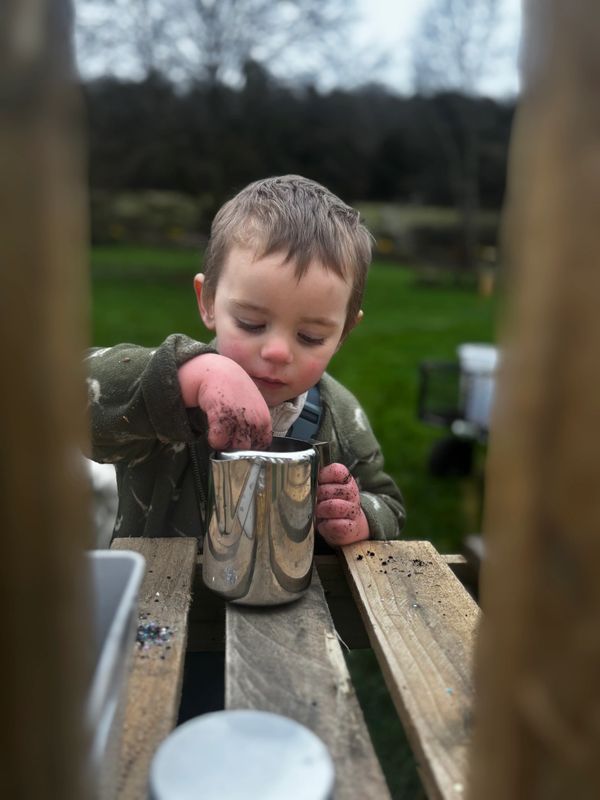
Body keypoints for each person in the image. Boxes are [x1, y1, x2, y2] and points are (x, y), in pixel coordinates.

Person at [86, 175, 405, 549]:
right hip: (159, 598)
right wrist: (190, 375)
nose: (277, 351)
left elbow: (389, 504)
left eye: (310, 337)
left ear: (343, 334)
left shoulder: (341, 417)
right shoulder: (165, 392)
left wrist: (359, 516)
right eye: (251, 323)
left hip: (298, 601)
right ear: (207, 301)